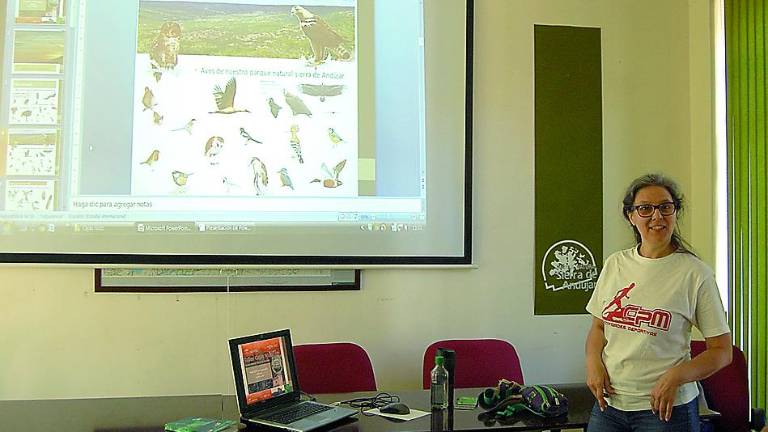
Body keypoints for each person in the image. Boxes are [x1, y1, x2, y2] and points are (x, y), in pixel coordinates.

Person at [584, 174, 732, 431]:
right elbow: (599, 328)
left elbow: (721, 351)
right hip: (609, 405)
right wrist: (592, 363)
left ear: (676, 212)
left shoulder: (695, 274)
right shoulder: (615, 264)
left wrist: (676, 376)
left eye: (665, 207)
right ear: (631, 216)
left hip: (665, 411)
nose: (656, 216)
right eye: (645, 208)